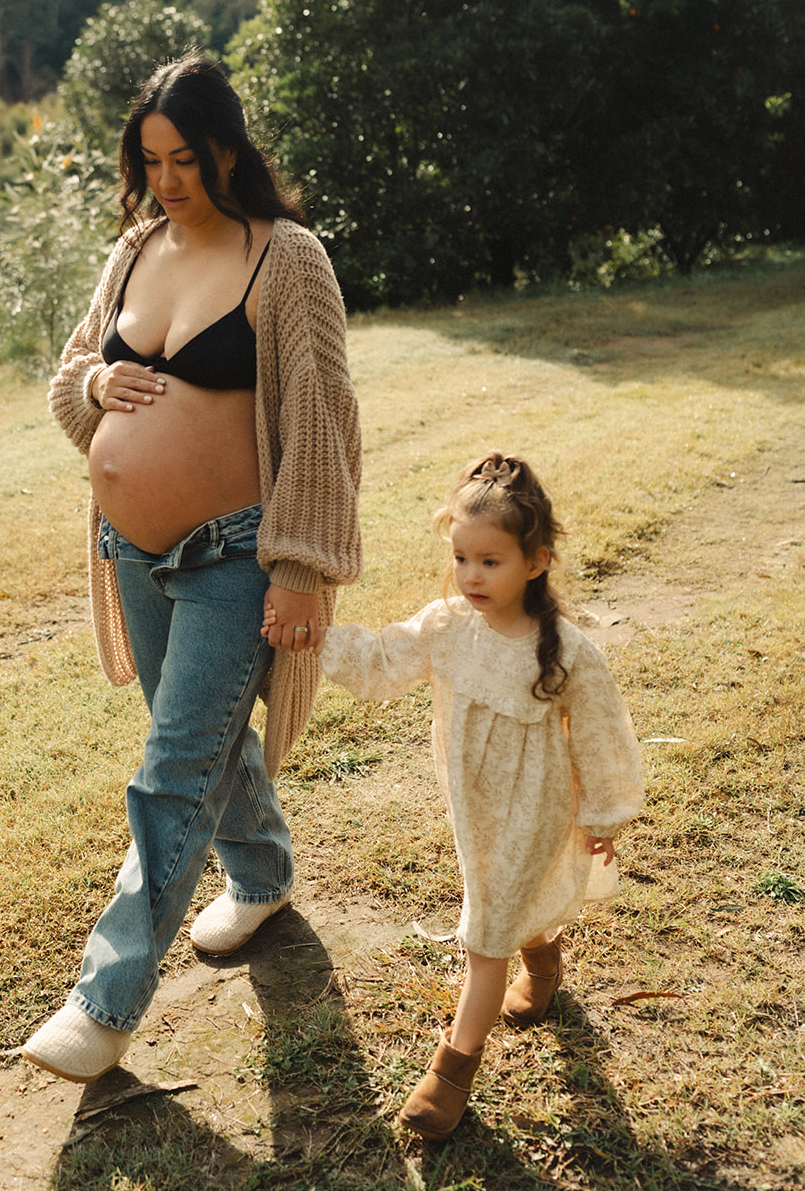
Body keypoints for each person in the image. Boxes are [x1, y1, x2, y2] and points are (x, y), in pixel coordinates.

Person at [22, 55, 362, 1085]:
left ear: (226, 149)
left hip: (234, 554)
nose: (167, 180)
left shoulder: (285, 258)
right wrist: (97, 384)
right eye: (151, 160)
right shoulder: (134, 253)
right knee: (203, 740)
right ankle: (260, 875)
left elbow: (322, 423)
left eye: (185, 158)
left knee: (173, 770)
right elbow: (71, 382)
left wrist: (299, 569)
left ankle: (104, 1001)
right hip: (130, 550)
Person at [266, 451, 643, 1140]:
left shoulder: (564, 652)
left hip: (538, 808)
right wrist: (315, 638)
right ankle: (542, 958)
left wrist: (603, 817)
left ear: (536, 561)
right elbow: (382, 661)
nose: (471, 575)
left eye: (490, 561)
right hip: (475, 810)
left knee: (485, 934)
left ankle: (451, 1073)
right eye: (462, 557)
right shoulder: (446, 626)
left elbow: (601, 739)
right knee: (506, 902)